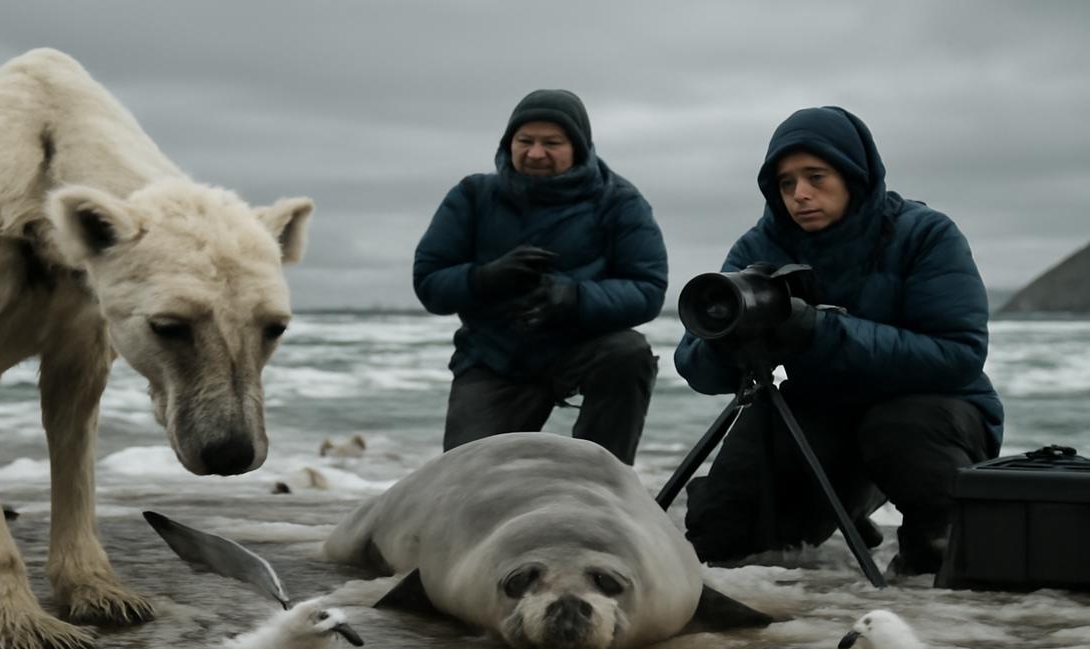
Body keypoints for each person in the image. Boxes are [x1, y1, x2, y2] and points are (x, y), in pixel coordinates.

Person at [674, 106, 1003, 576]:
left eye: (816, 176)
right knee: (723, 545)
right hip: (818, 411)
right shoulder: (759, 247)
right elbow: (697, 371)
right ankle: (842, 514)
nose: (800, 194)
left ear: (854, 176)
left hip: (930, 416)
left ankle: (929, 571)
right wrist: (732, 339)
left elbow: (960, 355)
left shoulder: (925, 234)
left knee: (937, 551)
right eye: (786, 183)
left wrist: (820, 330)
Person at [412, 89, 668, 465]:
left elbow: (648, 289)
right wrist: (485, 278)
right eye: (524, 141)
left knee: (628, 353)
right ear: (508, 143)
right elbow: (430, 283)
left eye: (552, 143)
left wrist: (573, 298)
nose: (535, 153)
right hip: (494, 358)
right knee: (464, 480)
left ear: (579, 147)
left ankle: (601, 479)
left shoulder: (619, 201)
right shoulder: (473, 196)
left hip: (581, 349)